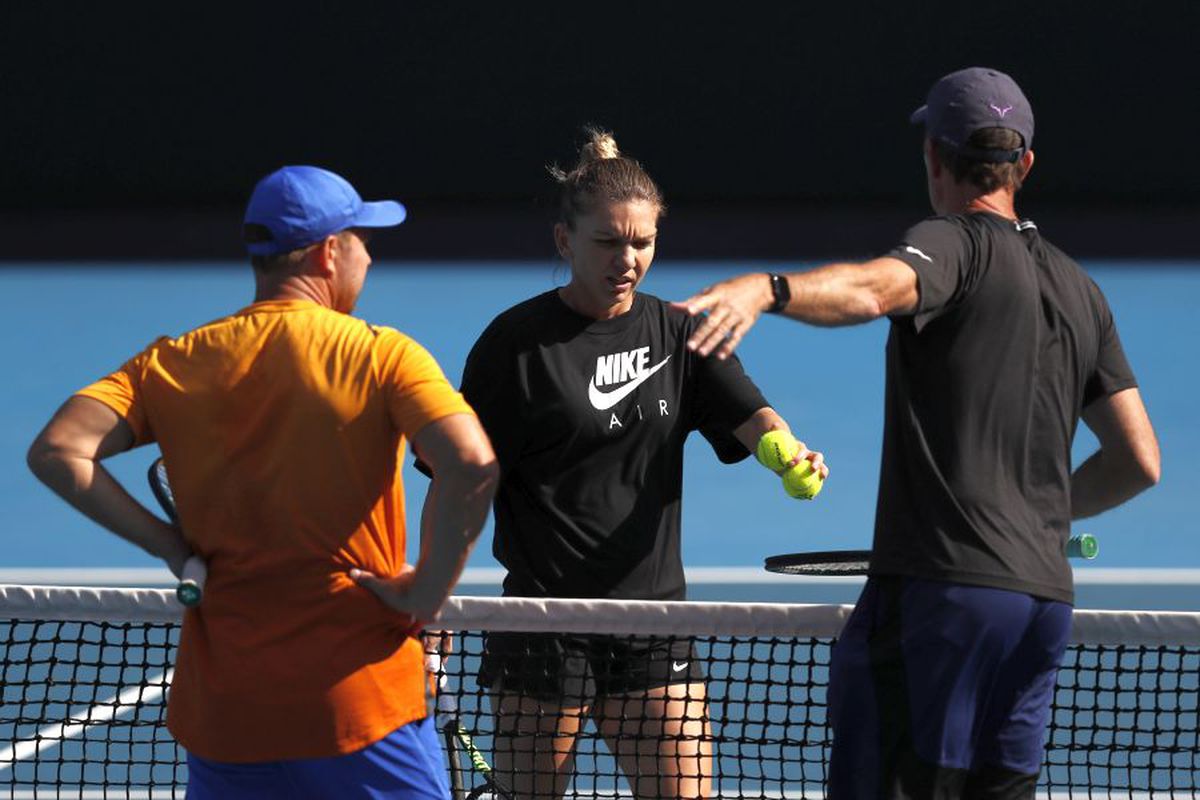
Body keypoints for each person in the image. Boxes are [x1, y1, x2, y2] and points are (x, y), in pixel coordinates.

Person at [673, 67, 1161, 798]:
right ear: (1023, 165)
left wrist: (766, 289)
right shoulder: (1081, 291)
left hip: (944, 601)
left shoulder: (951, 244)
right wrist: (1041, 516)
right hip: (1042, 607)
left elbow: (875, 288)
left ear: (933, 157)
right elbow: (1138, 461)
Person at [26, 165, 499, 799]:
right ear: (331, 252)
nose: (368, 255)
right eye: (363, 238)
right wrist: (428, 591)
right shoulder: (383, 354)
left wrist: (169, 546)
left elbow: (59, 449)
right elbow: (471, 463)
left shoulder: (172, 362)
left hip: (229, 720)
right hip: (360, 710)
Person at [459, 128, 828, 800]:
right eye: (608, 242)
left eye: (642, 242)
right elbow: (464, 482)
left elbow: (753, 416)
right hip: (543, 627)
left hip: (653, 622)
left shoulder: (682, 332)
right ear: (565, 241)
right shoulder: (513, 348)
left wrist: (787, 455)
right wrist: (439, 603)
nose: (627, 259)